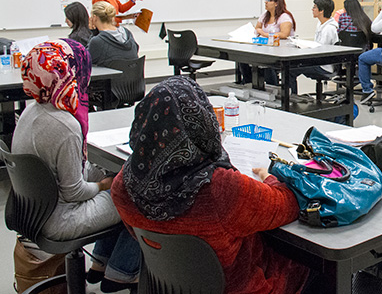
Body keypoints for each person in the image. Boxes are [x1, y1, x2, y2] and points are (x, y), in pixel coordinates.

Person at [111, 76, 314, 293]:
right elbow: (288, 205)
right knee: (318, 262)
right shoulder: (220, 188)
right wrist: (269, 177)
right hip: (241, 287)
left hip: (171, 287)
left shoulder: (124, 185)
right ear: (202, 121)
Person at [14, 40, 141, 292]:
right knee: (135, 195)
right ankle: (122, 272)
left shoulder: (32, 111)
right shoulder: (65, 125)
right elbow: (74, 192)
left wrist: (104, 177)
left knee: (113, 178)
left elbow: (62, 172)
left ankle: (101, 263)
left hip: (35, 210)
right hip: (61, 218)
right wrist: (105, 183)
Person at [284, 0, 339, 94]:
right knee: (292, 65)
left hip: (324, 66)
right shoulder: (321, 23)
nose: (312, 9)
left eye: (314, 7)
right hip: (318, 61)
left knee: (291, 70)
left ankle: (292, 97)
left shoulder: (329, 29)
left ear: (321, 10)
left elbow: (320, 50)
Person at [242, 0, 297, 85]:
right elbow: (257, 28)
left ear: (276, 3)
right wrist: (261, 32)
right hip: (266, 48)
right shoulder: (265, 15)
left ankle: (273, 87)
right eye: (265, 0)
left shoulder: (284, 17)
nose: (265, 2)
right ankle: (248, 83)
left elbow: (284, 34)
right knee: (243, 59)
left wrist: (264, 33)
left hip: (281, 50)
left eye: (268, 0)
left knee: (267, 63)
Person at [88, 1, 139, 66]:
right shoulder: (128, 34)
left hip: (108, 75)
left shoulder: (97, 41)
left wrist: (93, 33)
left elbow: (86, 61)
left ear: (94, 18)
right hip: (131, 75)